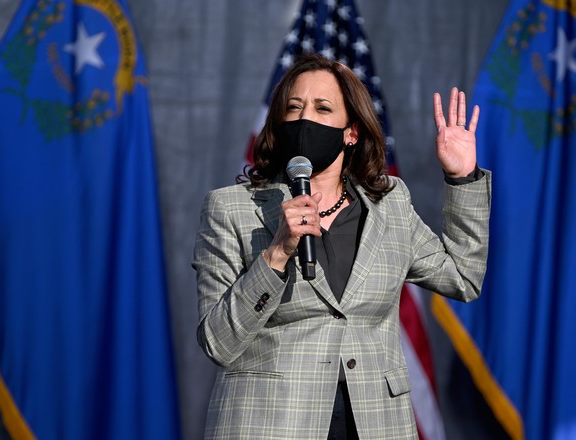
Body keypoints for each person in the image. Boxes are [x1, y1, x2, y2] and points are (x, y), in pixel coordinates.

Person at [193, 53, 491, 439]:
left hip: (374, 424)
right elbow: (218, 341)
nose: (305, 119)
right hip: (270, 424)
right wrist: (277, 254)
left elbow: (463, 277)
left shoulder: (391, 206)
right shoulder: (231, 208)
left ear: (351, 132)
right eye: (294, 108)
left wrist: (462, 178)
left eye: (322, 108)